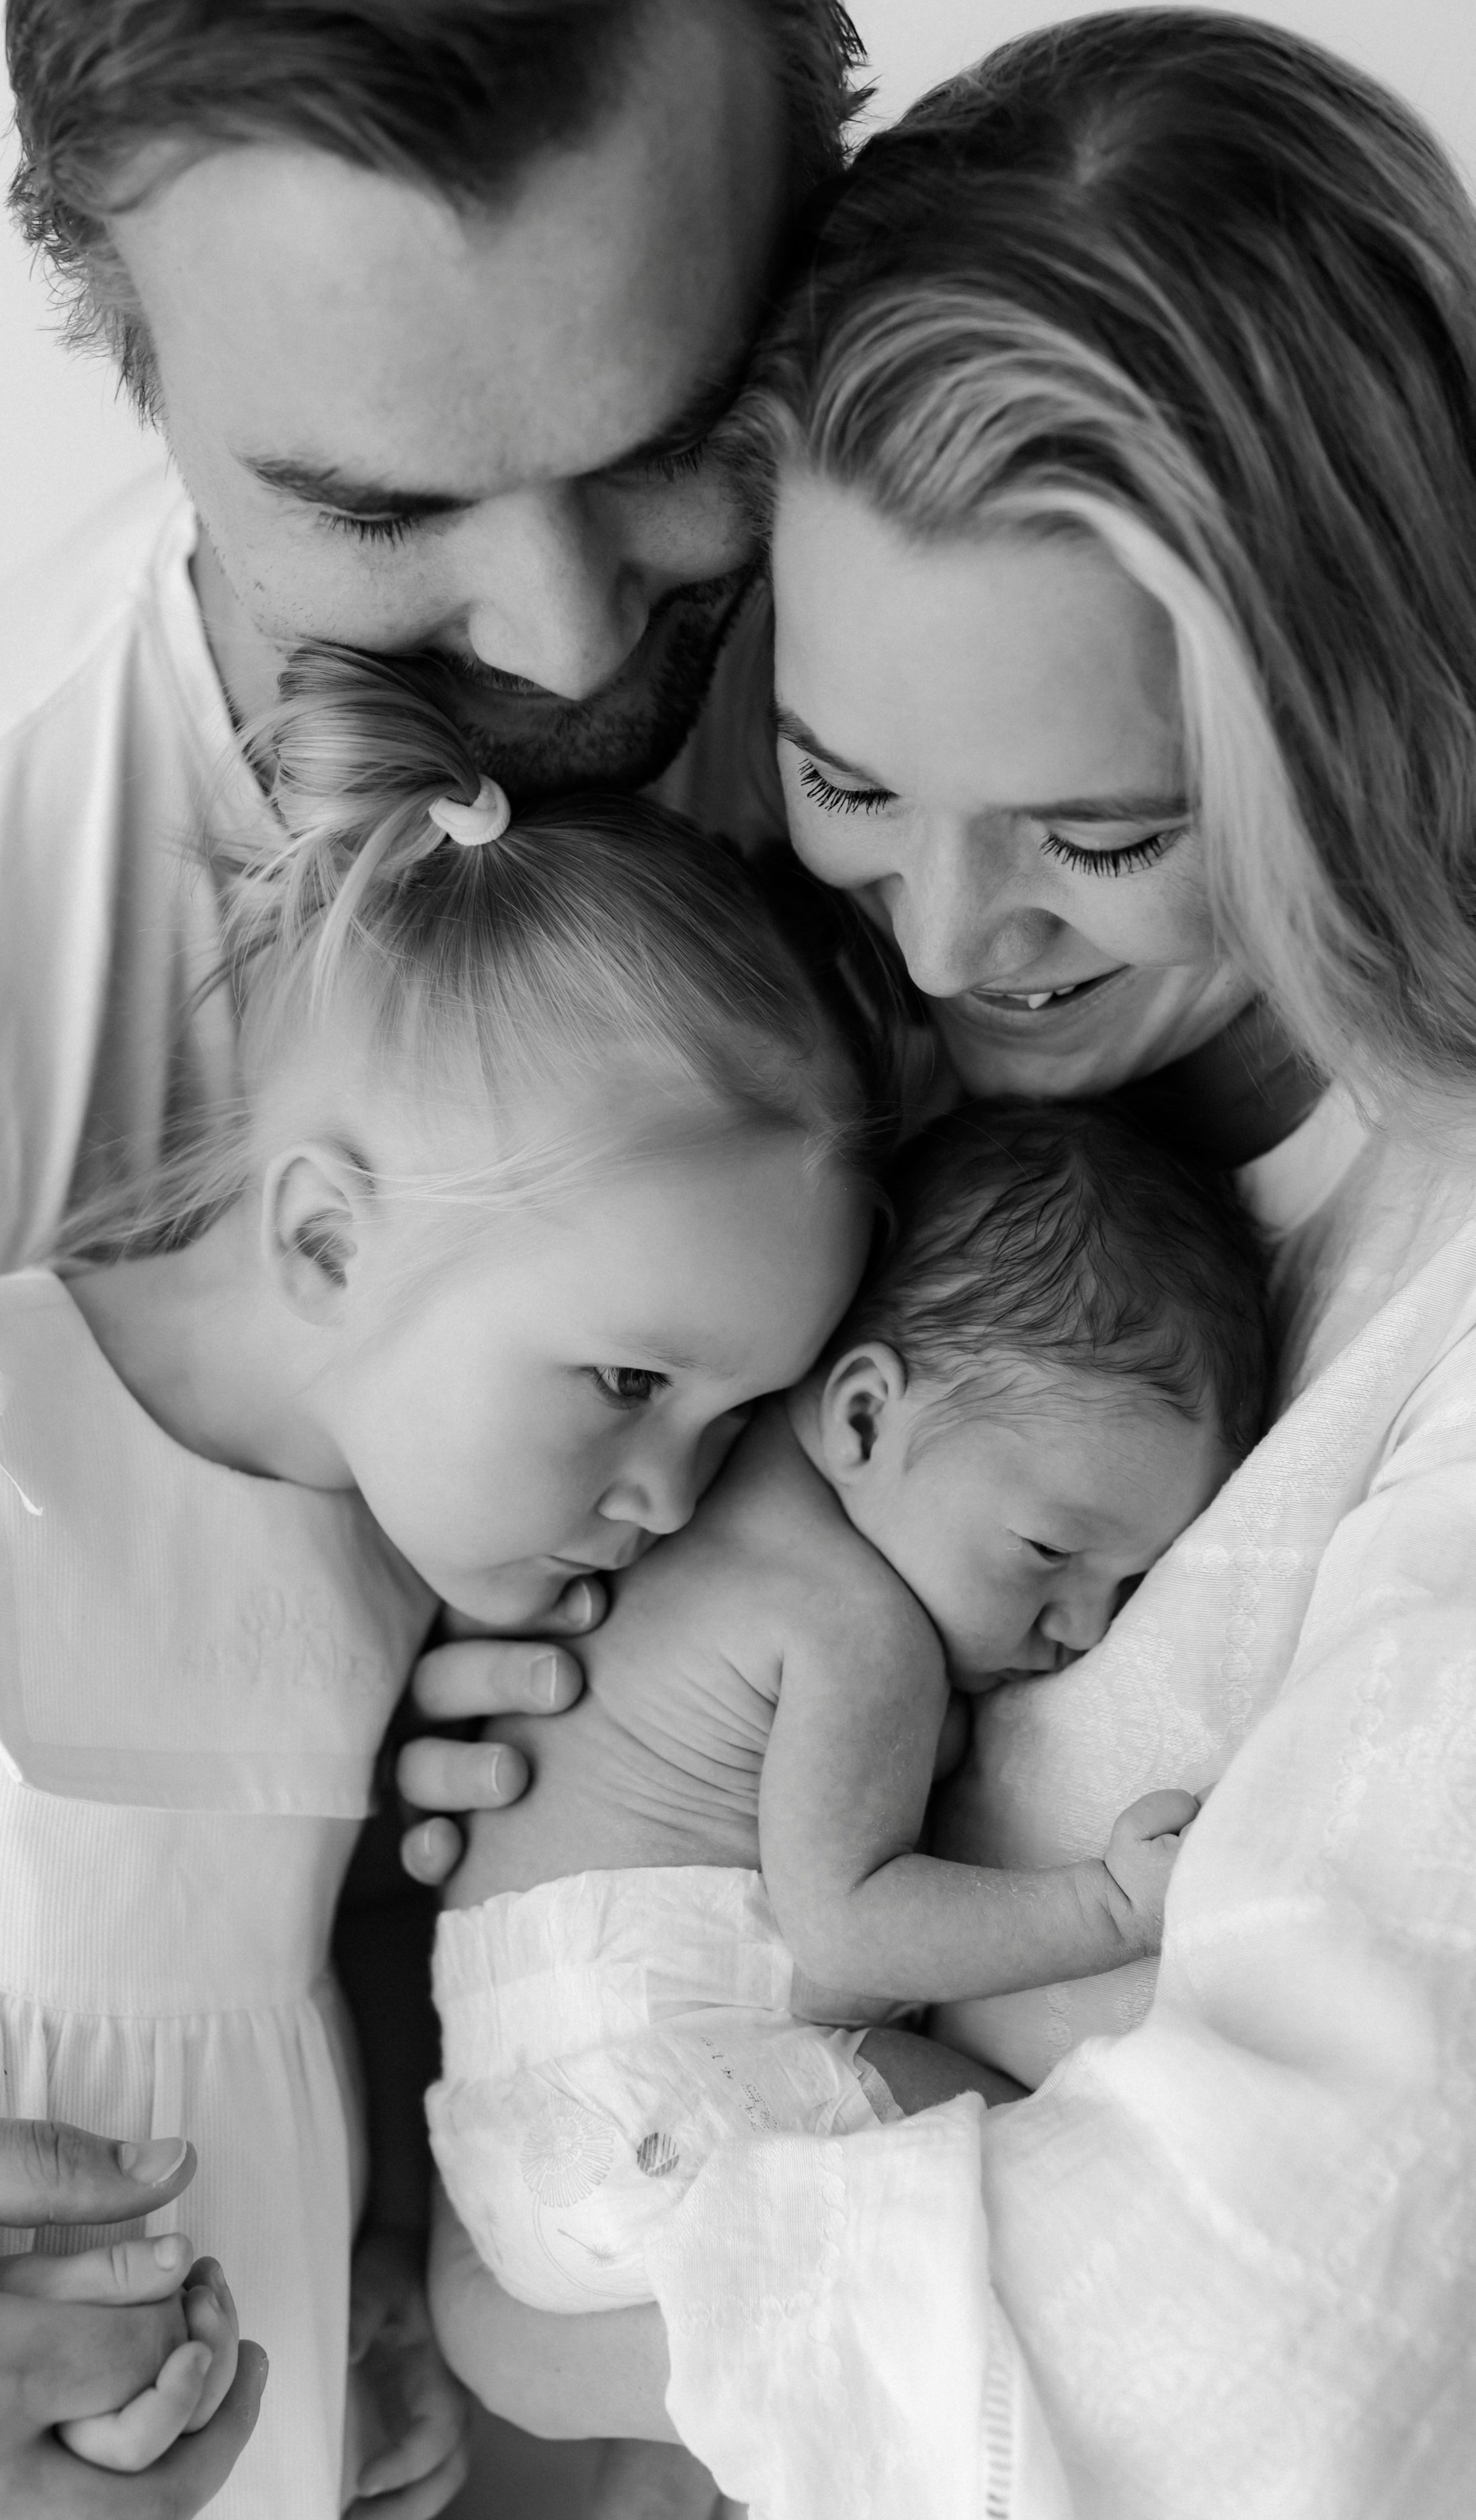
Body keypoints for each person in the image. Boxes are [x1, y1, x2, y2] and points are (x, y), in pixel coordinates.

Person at [0, 7, 860, 2506]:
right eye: (381, 514)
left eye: (665, 439)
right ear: (121, 341)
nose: (578, 641)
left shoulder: (996, 576)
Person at [426, 15, 1476, 2515]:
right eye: (855, 776)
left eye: (1098, 837)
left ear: (1365, 732)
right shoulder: (792, 1060)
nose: (945, 927)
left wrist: (516, 2300)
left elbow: (1257, 2373)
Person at [427, 1098, 1266, 2326]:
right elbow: (852, 1926)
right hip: (672, 2096)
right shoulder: (854, 1624)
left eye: (1127, 1587)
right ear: (866, 1413)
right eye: (1049, 1552)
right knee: (1077, 2191)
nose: (1084, 1627)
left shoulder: (692, 1491)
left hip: (514, 2140)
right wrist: (1108, 1906)